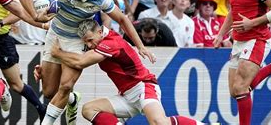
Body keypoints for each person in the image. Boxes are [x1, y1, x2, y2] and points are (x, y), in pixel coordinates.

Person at [18, 0, 154, 125]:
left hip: (77, 40)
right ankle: (72, 99)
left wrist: (140, 46)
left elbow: (122, 19)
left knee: (66, 85)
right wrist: (35, 16)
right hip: (55, 35)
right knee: (49, 91)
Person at [48, 19, 202, 125]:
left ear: (100, 31)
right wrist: (44, 68)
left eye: (90, 40)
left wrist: (57, 53)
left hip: (143, 87)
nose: (89, 44)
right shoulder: (100, 41)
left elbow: (80, 61)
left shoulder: (111, 43)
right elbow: (75, 59)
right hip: (127, 95)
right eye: (86, 42)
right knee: (88, 109)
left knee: (160, 122)